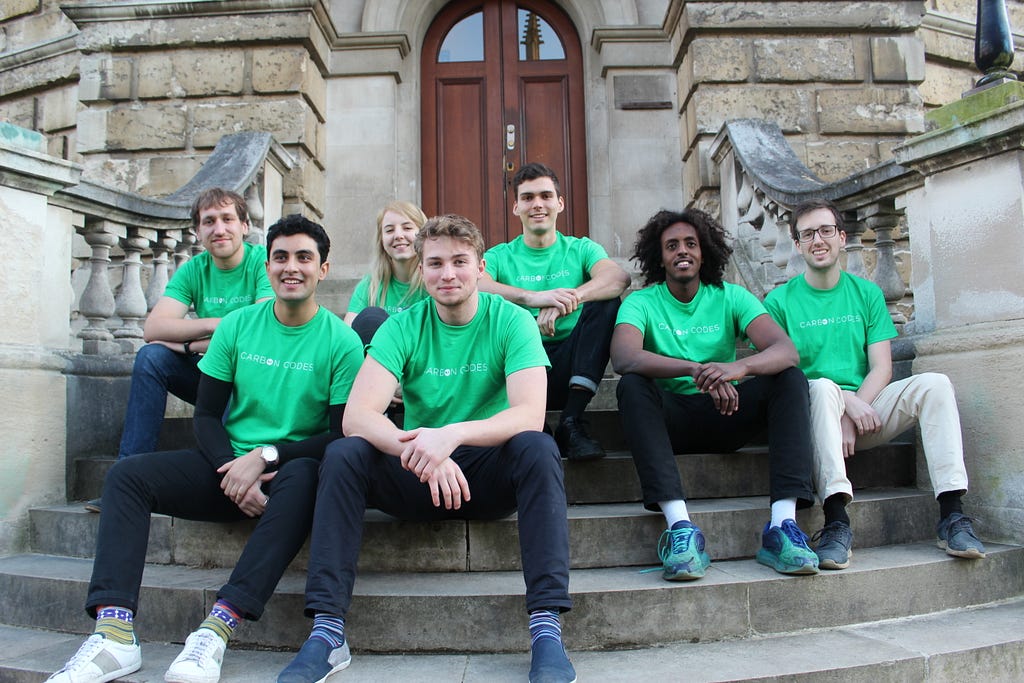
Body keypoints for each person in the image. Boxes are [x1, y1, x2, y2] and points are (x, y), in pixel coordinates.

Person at [47, 215, 364, 683]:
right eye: (280, 257)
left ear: (324, 269)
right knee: (126, 477)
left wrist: (265, 457)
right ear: (268, 266)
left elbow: (338, 434)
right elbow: (207, 415)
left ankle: (217, 628)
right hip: (226, 468)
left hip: (285, 475)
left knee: (306, 477)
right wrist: (229, 468)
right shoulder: (238, 326)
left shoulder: (342, 342)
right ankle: (114, 634)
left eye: (304, 258)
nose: (290, 267)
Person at [278, 215, 575, 683]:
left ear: (481, 267)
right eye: (435, 263)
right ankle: (327, 632)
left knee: (538, 447)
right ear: (421, 269)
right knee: (344, 453)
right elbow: (358, 416)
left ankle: (546, 628)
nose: (448, 274)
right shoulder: (402, 327)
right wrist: (420, 450)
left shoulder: (512, 321)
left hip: (485, 474)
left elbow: (528, 415)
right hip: (418, 473)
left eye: (460, 262)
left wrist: (449, 436)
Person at [764, 198, 986, 570]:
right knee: (819, 389)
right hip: (812, 415)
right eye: (807, 234)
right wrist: (841, 404)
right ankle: (836, 521)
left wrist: (851, 411)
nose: (817, 240)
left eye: (825, 230)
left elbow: (882, 368)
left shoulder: (866, 293)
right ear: (798, 245)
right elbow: (783, 375)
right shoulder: (778, 302)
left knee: (935, 384)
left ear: (842, 237)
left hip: (866, 411)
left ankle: (952, 514)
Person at [611, 209, 819, 582]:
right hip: (671, 421)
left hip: (728, 412)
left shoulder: (730, 297)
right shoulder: (641, 302)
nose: (682, 251)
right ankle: (680, 529)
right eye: (671, 246)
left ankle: (782, 525)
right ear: (660, 257)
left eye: (690, 243)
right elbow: (624, 357)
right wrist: (695, 369)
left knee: (789, 378)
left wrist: (738, 368)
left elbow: (785, 350)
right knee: (632, 385)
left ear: (704, 251)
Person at [86, 187, 273, 513]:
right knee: (152, 357)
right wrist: (216, 326)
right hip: (213, 374)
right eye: (209, 221)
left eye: (228, 219)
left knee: (198, 367)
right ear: (198, 231)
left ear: (245, 226)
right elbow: (154, 330)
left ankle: (229, 480)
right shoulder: (193, 268)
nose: (219, 229)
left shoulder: (262, 263)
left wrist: (189, 342)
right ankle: (126, 476)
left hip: (253, 381)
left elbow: (260, 332)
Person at [480, 162, 630, 461]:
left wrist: (567, 300)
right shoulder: (499, 255)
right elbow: (475, 284)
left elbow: (618, 278)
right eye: (528, 197)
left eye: (546, 196)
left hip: (573, 367)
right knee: (481, 309)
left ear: (560, 203)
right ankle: (536, 425)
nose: (538, 204)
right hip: (520, 367)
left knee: (608, 302)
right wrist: (533, 298)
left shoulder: (580, 249)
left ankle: (572, 422)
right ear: (516, 207)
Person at [343, 200, 430, 345]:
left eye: (407, 228)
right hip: (379, 362)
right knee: (371, 317)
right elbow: (347, 338)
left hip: (422, 361)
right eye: (389, 230)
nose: (398, 235)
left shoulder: (435, 282)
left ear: (422, 235)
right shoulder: (371, 285)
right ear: (381, 240)